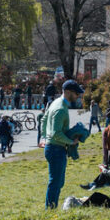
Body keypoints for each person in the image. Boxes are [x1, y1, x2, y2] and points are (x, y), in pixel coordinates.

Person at [40, 79, 84, 209]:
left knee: (58, 182)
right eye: (76, 93)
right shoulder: (60, 109)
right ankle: (50, 210)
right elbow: (56, 133)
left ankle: (51, 208)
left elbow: (44, 119)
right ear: (68, 92)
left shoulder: (55, 103)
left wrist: (43, 137)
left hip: (52, 147)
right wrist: (71, 141)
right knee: (55, 182)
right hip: (56, 148)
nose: (78, 96)